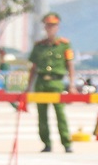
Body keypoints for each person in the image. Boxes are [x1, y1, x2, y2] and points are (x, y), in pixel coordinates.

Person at [26, 12, 77, 153]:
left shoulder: (64, 45)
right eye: (48, 25)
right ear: (45, 27)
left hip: (56, 83)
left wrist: (72, 85)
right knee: (42, 116)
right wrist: (28, 87)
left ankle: (66, 143)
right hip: (41, 83)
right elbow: (33, 68)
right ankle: (46, 143)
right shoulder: (39, 46)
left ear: (58, 27)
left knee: (60, 114)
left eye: (53, 25)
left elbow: (70, 66)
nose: (50, 28)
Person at [0, 48, 17, 112]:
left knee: (5, 96)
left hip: (3, 83)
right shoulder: (3, 63)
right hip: (0, 83)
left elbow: (4, 72)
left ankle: (16, 106)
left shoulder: (5, 64)